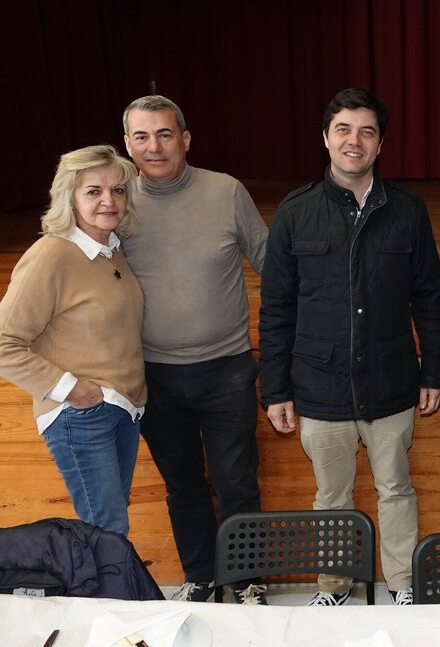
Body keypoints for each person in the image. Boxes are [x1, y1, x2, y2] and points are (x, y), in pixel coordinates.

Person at [259, 87, 440, 607]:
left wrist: (433, 372)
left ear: (380, 143)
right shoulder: (295, 213)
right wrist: (274, 388)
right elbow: (276, 309)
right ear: (325, 138)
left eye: (366, 131)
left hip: (391, 381)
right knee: (331, 498)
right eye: (343, 129)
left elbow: (430, 299)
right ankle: (333, 588)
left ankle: (404, 585)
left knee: (396, 490)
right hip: (319, 385)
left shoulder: (407, 210)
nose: (354, 141)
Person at [121, 95, 269, 604]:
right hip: (153, 374)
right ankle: (201, 577)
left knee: (236, 481)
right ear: (127, 145)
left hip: (227, 368)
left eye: (164, 134)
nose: (154, 146)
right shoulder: (114, 201)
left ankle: (246, 577)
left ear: (185, 139)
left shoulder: (226, 191)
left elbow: (273, 264)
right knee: (182, 484)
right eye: (141, 136)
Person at [0, 145, 144, 536]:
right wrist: (71, 390)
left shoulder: (112, 251)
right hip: (81, 414)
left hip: (121, 408)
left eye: (117, 190)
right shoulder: (52, 255)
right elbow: (4, 343)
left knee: (109, 528)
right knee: (106, 529)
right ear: (70, 197)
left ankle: (113, 595)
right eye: (93, 191)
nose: (108, 201)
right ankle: (109, 598)